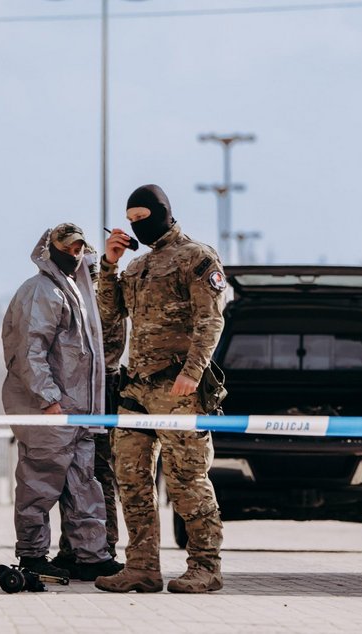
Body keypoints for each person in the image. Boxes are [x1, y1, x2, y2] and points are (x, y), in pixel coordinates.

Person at [95, 184, 226, 594]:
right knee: (131, 479)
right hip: (137, 389)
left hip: (179, 389)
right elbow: (110, 317)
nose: (138, 226)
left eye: (143, 218)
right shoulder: (136, 268)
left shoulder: (196, 257)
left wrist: (192, 371)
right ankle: (142, 567)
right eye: (131, 221)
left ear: (163, 213)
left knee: (187, 480)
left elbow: (211, 319)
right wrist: (109, 266)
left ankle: (205, 566)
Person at [1, 223, 122, 581]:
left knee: (84, 485)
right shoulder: (41, 292)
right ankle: (32, 555)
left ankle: (91, 556)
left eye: (79, 249)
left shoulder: (76, 291)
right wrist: (48, 400)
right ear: (50, 248)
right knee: (39, 484)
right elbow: (29, 352)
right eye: (67, 248)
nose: (74, 255)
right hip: (51, 413)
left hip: (79, 415)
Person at [52, 281, 125, 572]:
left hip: (100, 394)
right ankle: (73, 548)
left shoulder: (100, 303)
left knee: (98, 473)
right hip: (78, 392)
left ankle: (102, 547)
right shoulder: (71, 298)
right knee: (73, 473)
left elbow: (106, 354)